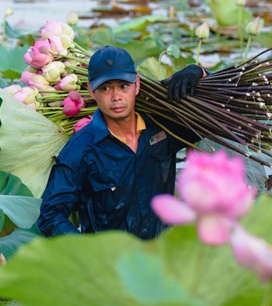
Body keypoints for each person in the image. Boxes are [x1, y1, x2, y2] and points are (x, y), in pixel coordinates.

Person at [37, 46, 204, 239]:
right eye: (105, 88)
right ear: (91, 91)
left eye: (123, 86)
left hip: (162, 253)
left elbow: (219, 117)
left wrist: (200, 72)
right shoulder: (80, 150)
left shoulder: (162, 130)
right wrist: (87, 249)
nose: (116, 97)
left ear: (137, 85)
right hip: (111, 257)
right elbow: (50, 216)